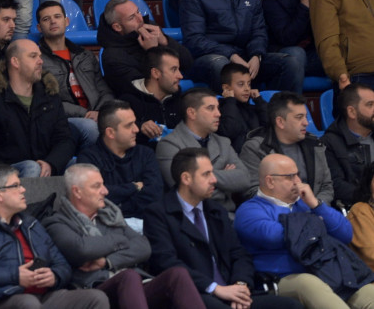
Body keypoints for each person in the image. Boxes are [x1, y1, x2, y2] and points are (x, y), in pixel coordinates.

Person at [143, 147, 304, 309]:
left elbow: (239, 254)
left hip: (230, 291)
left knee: (291, 306)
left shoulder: (215, 210)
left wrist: (240, 285)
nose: (214, 179)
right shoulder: (159, 213)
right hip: (195, 294)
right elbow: (167, 263)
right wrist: (215, 288)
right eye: (206, 174)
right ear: (186, 178)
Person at [42, 163, 206, 308]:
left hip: (136, 285)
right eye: (97, 186)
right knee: (127, 276)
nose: (105, 191)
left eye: (103, 185)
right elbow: (82, 249)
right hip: (95, 290)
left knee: (177, 274)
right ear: (77, 192)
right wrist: (120, 239)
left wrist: (108, 261)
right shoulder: (57, 223)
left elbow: (143, 247)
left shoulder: (109, 215)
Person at [0, 164, 110, 309]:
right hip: (1, 298)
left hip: (45, 296)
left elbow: (62, 265)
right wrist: (15, 276)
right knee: (28, 303)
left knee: (95, 297)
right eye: (16, 186)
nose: (23, 189)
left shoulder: (31, 224)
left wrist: (54, 276)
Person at [235, 153, 374, 306]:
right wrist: (317, 222)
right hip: (284, 276)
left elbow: (346, 234)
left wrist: (316, 204)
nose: (298, 182)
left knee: (369, 293)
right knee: (310, 284)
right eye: (290, 177)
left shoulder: (307, 204)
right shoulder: (250, 210)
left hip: (328, 270)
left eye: (298, 175)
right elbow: (276, 237)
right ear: (270, 181)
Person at [0, 37, 76, 176]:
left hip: (45, 165)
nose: (40, 61)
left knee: (81, 166)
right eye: (33, 56)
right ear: (15, 62)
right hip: (7, 171)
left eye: (40, 56)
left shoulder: (49, 94)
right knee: (31, 167)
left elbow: (65, 139)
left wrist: (51, 163)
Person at [156, 87, 251, 213]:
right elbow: (184, 188)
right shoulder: (169, 144)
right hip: (191, 217)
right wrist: (225, 180)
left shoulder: (223, 142)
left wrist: (200, 175)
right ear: (191, 113)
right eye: (211, 108)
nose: (218, 113)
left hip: (226, 216)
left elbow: (244, 179)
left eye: (217, 108)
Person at [37, 0, 114, 148]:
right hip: (64, 118)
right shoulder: (37, 59)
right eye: (46, 19)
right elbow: (46, 99)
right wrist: (85, 113)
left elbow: (104, 89)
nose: (53, 21)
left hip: (96, 114)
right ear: (39, 27)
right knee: (91, 128)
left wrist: (99, 111)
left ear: (66, 21)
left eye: (57, 16)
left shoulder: (85, 55)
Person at [240, 91, 334, 203]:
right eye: (299, 117)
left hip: (315, 213)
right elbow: (252, 192)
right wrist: (295, 209)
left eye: (306, 117)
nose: (306, 123)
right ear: (280, 122)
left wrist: (316, 207)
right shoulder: (255, 148)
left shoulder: (315, 144)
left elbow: (327, 186)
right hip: (275, 217)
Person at [77, 101, 164, 221]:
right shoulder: (88, 158)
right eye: (129, 125)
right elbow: (92, 197)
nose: (136, 129)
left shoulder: (145, 154)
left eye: (135, 123)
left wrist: (119, 204)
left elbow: (154, 194)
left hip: (147, 222)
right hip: (106, 226)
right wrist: (134, 187)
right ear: (110, 133)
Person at [97, 0, 192, 96]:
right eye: (132, 17)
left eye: (138, 12)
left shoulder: (150, 30)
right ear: (117, 27)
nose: (140, 19)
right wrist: (153, 51)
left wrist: (165, 41)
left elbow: (188, 63)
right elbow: (145, 90)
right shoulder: (112, 56)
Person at [262, 0, 324, 80]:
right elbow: (287, 39)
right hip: (281, 54)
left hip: (311, 54)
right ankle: (292, 100)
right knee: (296, 54)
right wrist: (304, 7)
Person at [322, 83, 374, 207]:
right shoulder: (329, 143)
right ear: (352, 112)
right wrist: (369, 198)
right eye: (370, 105)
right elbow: (337, 185)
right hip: (359, 209)